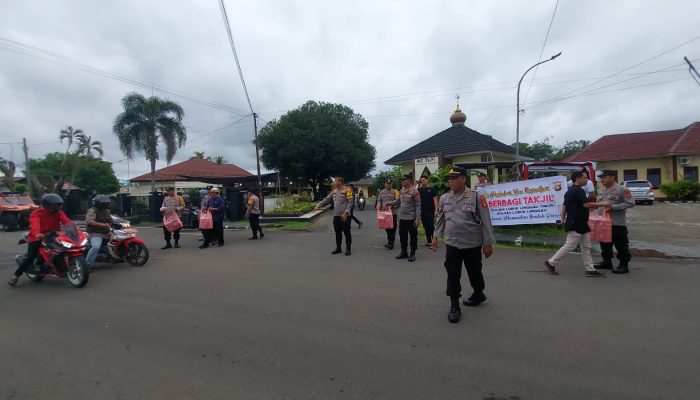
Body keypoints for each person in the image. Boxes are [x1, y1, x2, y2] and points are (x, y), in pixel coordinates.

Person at [431, 166, 495, 323]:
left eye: (454, 178)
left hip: (472, 244)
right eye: (449, 178)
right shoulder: (445, 197)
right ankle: (454, 306)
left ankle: (479, 293)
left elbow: (486, 221)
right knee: (453, 275)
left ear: (463, 179)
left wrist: (487, 243)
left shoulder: (476, 197)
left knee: (475, 273)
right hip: (452, 244)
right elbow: (440, 219)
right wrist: (435, 236)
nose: (450, 181)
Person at [545, 170, 609, 278]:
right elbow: (586, 204)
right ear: (578, 179)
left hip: (580, 223)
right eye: (584, 178)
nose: (586, 180)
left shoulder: (569, 191)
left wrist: (562, 219)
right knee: (570, 245)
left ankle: (590, 269)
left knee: (586, 247)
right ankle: (551, 262)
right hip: (576, 223)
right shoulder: (578, 191)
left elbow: (565, 206)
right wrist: (603, 204)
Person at [8, 193, 72, 287]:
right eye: (54, 205)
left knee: (65, 248)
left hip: (53, 235)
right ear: (47, 205)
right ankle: (16, 276)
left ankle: (60, 267)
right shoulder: (36, 213)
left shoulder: (59, 212)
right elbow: (35, 225)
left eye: (58, 204)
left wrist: (75, 228)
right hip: (38, 237)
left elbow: (67, 221)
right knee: (30, 258)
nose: (57, 207)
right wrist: (38, 234)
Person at [594, 170, 635, 274]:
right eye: (601, 177)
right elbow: (599, 204)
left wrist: (613, 207)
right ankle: (607, 262)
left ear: (612, 177)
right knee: (605, 245)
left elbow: (630, 203)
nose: (602, 179)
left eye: (604, 177)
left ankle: (623, 265)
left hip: (616, 223)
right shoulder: (601, 190)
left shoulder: (622, 189)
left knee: (621, 245)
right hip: (603, 223)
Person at [314, 176, 354, 255]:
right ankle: (338, 248)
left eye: (336, 181)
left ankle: (348, 248)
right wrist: (318, 205)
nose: (334, 183)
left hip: (345, 216)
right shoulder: (334, 191)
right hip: (336, 216)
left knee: (346, 232)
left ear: (340, 182)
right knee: (337, 232)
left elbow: (350, 202)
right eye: (334, 181)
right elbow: (327, 199)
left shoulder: (348, 190)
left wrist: (346, 212)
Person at [386, 173, 422, 262]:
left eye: (403, 180)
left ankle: (412, 253)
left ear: (408, 181)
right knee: (402, 236)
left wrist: (418, 218)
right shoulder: (402, 190)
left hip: (411, 218)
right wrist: (390, 203)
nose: (402, 181)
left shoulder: (415, 191)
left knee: (413, 236)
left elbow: (418, 205)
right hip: (402, 218)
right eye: (402, 180)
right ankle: (404, 252)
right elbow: (398, 201)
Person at [85, 195, 113, 269]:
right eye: (104, 203)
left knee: (120, 239)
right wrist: (103, 225)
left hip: (106, 232)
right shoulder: (92, 210)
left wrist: (109, 226)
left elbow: (110, 221)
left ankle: (117, 257)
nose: (106, 205)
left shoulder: (107, 211)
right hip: (95, 233)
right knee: (96, 247)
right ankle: (86, 265)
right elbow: (90, 221)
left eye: (106, 203)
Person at [375, 178, 399, 250]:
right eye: (387, 183)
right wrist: (378, 205)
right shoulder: (382, 192)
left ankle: (391, 242)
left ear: (392, 184)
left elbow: (398, 202)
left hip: (392, 213)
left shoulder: (395, 192)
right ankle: (389, 240)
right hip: (384, 213)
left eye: (390, 183)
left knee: (392, 228)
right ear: (385, 184)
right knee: (386, 227)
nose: (388, 185)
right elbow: (379, 200)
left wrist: (393, 206)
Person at [417, 175, 438, 246]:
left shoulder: (432, 189)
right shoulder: (419, 190)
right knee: (425, 226)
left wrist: (436, 210)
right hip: (422, 211)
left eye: (424, 180)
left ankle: (435, 242)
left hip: (430, 211)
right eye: (421, 180)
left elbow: (435, 200)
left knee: (431, 226)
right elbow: (412, 192)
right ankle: (429, 241)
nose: (422, 182)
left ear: (427, 181)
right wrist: (415, 183)